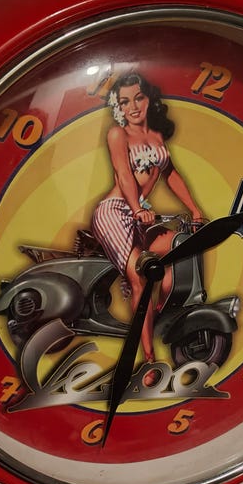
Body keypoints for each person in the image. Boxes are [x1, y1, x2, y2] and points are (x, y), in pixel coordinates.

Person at [91, 71, 203, 366]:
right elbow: (124, 175)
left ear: (148, 98)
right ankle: (149, 360)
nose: (133, 106)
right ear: (119, 106)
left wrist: (194, 209)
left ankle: (161, 318)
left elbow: (171, 174)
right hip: (115, 212)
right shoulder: (117, 134)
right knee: (140, 276)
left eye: (138, 98)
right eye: (125, 101)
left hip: (141, 214)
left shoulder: (156, 136)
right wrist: (137, 208)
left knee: (181, 247)